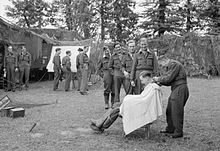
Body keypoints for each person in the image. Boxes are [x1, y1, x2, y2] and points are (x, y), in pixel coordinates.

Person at [90, 71, 162, 135]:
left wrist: (130, 99)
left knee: (117, 110)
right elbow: (142, 97)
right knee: (116, 105)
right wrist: (131, 98)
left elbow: (144, 101)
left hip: (143, 109)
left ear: (147, 78)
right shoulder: (150, 86)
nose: (141, 82)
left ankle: (101, 125)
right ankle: (100, 123)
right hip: (141, 105)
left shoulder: (153, 88)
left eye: (142, 80)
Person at [153, 53, 189, 138]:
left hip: (180, 89)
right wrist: (159, 82)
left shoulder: (174, 64)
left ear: (165, 60)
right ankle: (170, 128)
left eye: (161, 63)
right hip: (176, 89)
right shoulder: (170, 66)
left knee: (176, 111)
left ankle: (178, 132)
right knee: (169, 110)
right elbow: (168, 80)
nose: (161, 65)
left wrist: (158, 79)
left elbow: (169, 78)